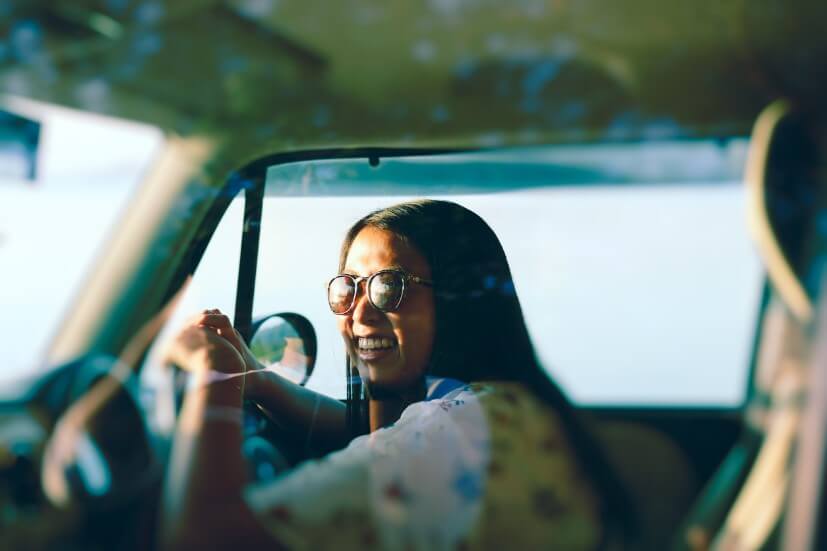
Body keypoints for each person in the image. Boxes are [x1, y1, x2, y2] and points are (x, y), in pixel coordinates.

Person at [160, 199, 634, 550]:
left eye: (390, 286)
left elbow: (205, 538)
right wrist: (259, 380)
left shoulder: (453, 435)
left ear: (457, 299)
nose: (360, 315)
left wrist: (214, 374)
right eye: (349, 288)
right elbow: (367, 431)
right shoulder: (500, 406)